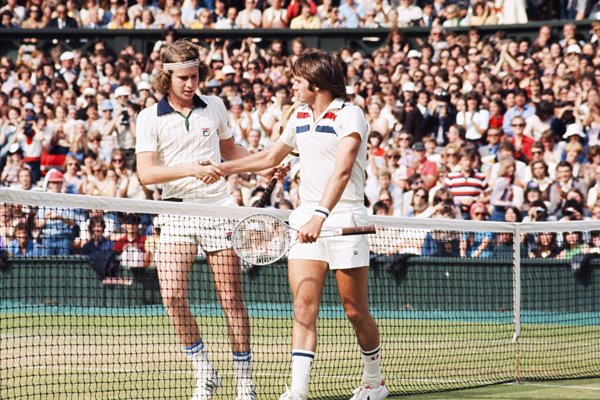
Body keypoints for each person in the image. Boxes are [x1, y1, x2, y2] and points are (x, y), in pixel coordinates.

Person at [220, 49, 388, 400]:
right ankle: (297, 390)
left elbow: (342, 170)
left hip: (344, 218)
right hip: (305, 219)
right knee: (302, 305)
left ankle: (374, 381)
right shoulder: (298, 115)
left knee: (354, 310)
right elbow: (269, 157)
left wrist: (321, 215)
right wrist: (223, 169)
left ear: (315, 84)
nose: (292, 86)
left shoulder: (350, 115)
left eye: (297, 81)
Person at [135, 39, 257, 400]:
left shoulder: (215, 106)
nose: (191, 84)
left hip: (217, 208)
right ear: (167, 78)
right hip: (175, 211)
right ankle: (204, 370)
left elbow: (231, 152)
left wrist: (264, 164)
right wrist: (190, 169)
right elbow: (146, 174)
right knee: (171, 296)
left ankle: (244, 383)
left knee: (230, 298)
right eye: (184, 78)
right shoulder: (147, 117)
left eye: (195, 76)